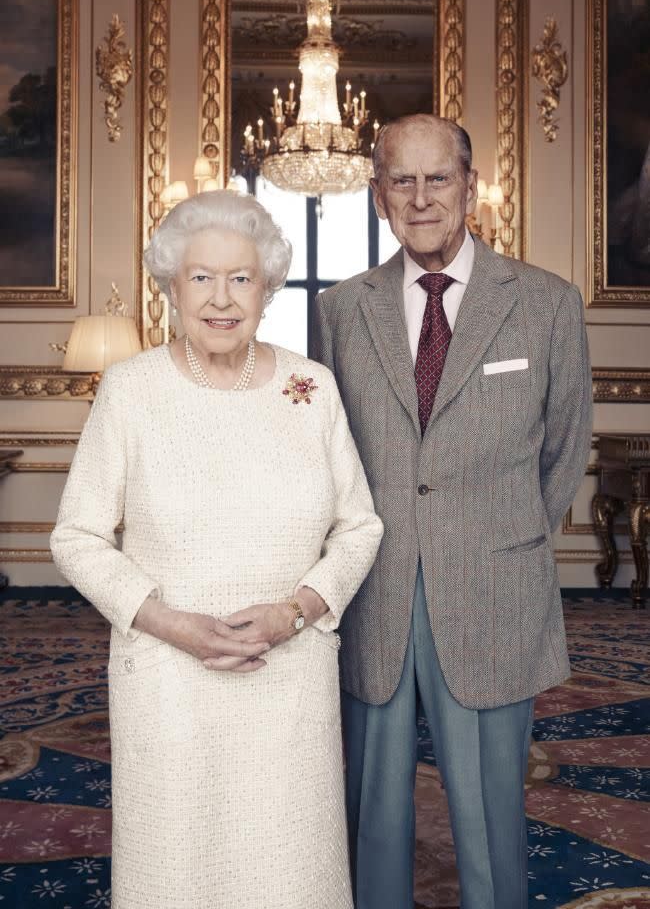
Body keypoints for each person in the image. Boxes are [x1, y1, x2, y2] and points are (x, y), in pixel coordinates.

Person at [50, 190, 383, 909]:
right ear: (170, 286)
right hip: (168, 681)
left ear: (268, 287)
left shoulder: (311, 388)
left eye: (241, 278)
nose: (221, 299)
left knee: (290, 865)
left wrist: (295, 613)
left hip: (288, 674)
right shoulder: (131, 390)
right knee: (178, 866)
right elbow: (76, 537)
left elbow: (360, 527)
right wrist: (173, 624)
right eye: (201, 277)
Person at [312, 113, 592, 909]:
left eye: (439, 178)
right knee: (370, 811)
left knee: (491, 816)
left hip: (494, 590)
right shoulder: (340, 311)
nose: (422, 196)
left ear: (470, 186)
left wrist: (495, 537)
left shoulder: (545, 303)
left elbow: (564, 451)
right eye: (402, 179)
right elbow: (330, 453)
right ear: (377, 196)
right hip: (376, 592)